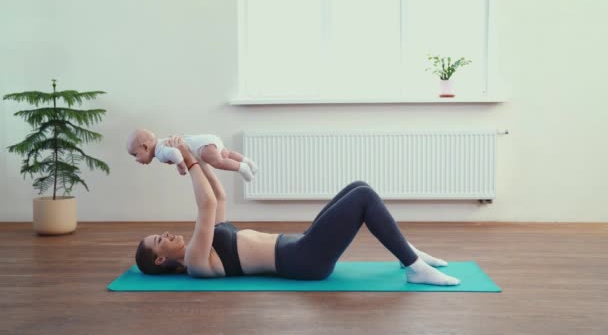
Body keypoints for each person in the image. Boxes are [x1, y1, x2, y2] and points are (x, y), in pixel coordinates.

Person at [135, 136, 460, 286]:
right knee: (364, 197)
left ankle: (406, 250)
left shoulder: (202, 246)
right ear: (161, 260)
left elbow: (217, 198)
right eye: (158, 241)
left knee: (357, 185)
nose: (165, 234)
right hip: (304, 260)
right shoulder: (195, 261)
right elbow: (204, 205)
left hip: (300, 245)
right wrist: (186, 159)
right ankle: (414, 267)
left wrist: (198, 158)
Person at [126, 128, 258, 181]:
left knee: (219, 162)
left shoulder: (159, 152)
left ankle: (242, 168)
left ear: (145, 147)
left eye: (135, 155)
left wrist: (180, 166)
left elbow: (174, 152)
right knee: (227, 153)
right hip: (207, 139)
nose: (136, 160)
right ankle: (249, 162)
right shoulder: (162, 142)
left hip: (202, 147)